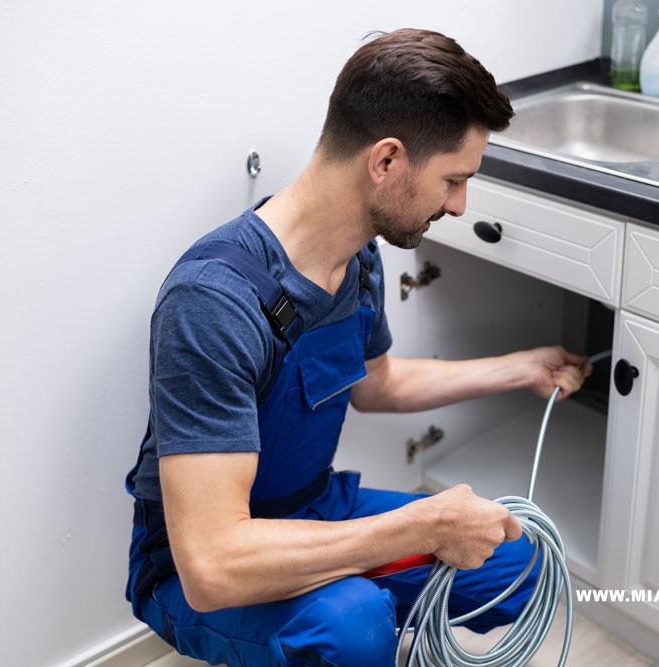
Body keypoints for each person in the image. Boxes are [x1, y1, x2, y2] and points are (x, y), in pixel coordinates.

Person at [124, 27, 592, 666]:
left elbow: (378, 384)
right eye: (454, 180)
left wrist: (520, 368)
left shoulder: (359, 258)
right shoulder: (213, 304)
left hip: (314, 509)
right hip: (200, 566)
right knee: (352, 624)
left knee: (514, 559)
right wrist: (419, 528)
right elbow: (211, 565)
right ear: (387, 161)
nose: (460, 206)